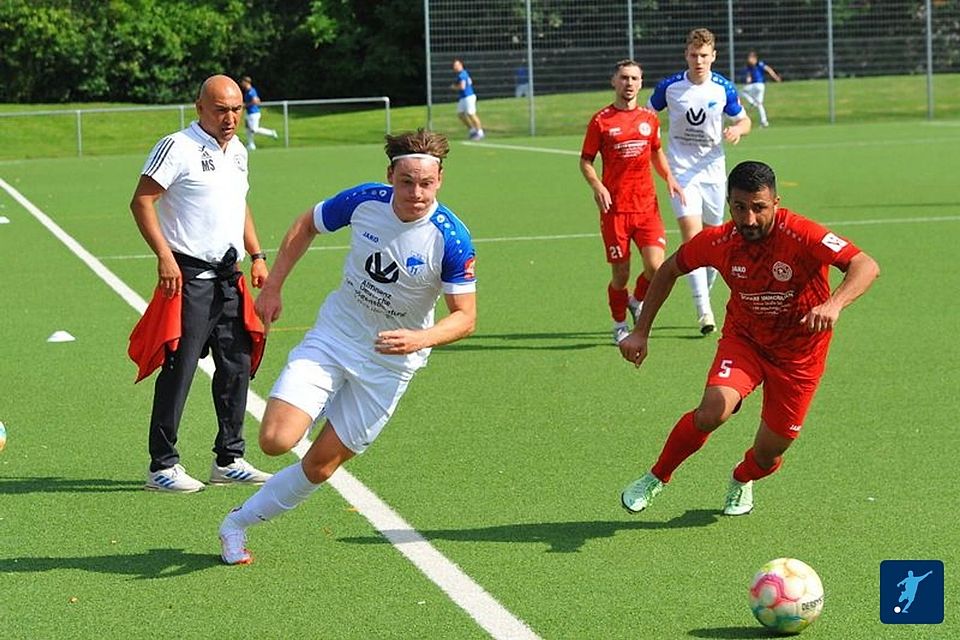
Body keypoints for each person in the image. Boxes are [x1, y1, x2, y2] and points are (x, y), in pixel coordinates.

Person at [217, 129, 477, 565]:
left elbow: (465, 316)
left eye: (426, 183)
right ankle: (318, 399)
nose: (416, 193)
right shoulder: (364, 200)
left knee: (319, 466)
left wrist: (421, 338)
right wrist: (273, 286)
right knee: (276, 440)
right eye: (407, 181)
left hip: (390, 365)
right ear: (390, 175)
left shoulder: (451, 238)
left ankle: (236, 524)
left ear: (440, 180)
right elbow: (306, 223)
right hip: (335, 338)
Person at [618, 160, 879, 516]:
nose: (750, 219)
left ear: (776, 203)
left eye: (759, 207)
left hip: (800, 357)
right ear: (729, 204)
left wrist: (834, 304)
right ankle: (656, 476)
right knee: (713, 411)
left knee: (770, 453)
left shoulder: (802, 233)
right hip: (746, 342)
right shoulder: (719, 241)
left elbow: (865, 265)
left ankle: (742, 478)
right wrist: (640, 331)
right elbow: (668, 270)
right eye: (740, 208)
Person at [129, 75, 273, 493]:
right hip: (189, 278)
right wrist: (164, 256)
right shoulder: (177, 146)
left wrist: (257, 254)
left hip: (230, 277)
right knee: (180, 368)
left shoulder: (238, 150)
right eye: (221, 110)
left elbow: (238, 203)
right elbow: (142, 201)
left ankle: (229, 458)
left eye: (236, 110)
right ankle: (162, 465)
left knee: (236, 365)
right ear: (199, 108)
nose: (230, 118)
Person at [648, 28, 752, 335]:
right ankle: (704, 309)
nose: (699, 61)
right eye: (694, 55)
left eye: (704, 55)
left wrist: (737, 130)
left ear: (713, 56)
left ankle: (704, 292)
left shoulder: (723, 88)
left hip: (713, 172)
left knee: (713, 239)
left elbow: (744, 119)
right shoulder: (670, 87)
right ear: (686, 55)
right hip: (680, 172)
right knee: (692, 240)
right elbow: (647, 116)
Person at [580, 59, 685, 344]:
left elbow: (656, 152)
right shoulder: (601, 120)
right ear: (614, 81)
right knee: (620, 274)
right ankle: (619, 324)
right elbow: (586, 161)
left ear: (641, 83)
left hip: (647, 208)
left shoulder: (649, 119)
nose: (629, 83)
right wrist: (597, 185)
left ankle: (637, 300)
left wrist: (669, 177)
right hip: (615, 211)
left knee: (656, 266)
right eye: (624, 78)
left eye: (634, 78)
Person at [741, 51, 782, 128]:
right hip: (758, 86)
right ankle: (764, 122)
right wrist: (748, 79)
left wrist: (775, 77)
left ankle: (752, 102)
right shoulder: (749, 67)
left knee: (742, 91)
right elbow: (749, 77)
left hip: (758, 85)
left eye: (750, 58)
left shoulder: (759, 64)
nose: (749, 60)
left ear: (755, 58)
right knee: (759, 104)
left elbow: (768, 69)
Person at [239, 75, 279, 150]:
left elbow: (255, 101)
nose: (242, 84)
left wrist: (245, 105)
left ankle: (271, 132)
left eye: (243, 82)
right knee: (248, 129)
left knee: (254, 129)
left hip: (253, 113)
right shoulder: (248, 91)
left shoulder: (251, 91)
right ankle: (251, 144)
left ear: (246, 82)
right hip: (249, 113)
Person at [451, 59, 485, 140]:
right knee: (460, 114)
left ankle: (480, 132)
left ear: (461, 65)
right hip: (463, 98)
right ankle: (472, 131)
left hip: (468, 97)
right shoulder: (463, 74)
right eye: (454, 66)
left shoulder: (462, 74)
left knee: (471, 114)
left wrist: (454, 87)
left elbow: (462, 87)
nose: (455, 67)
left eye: (456, 65)